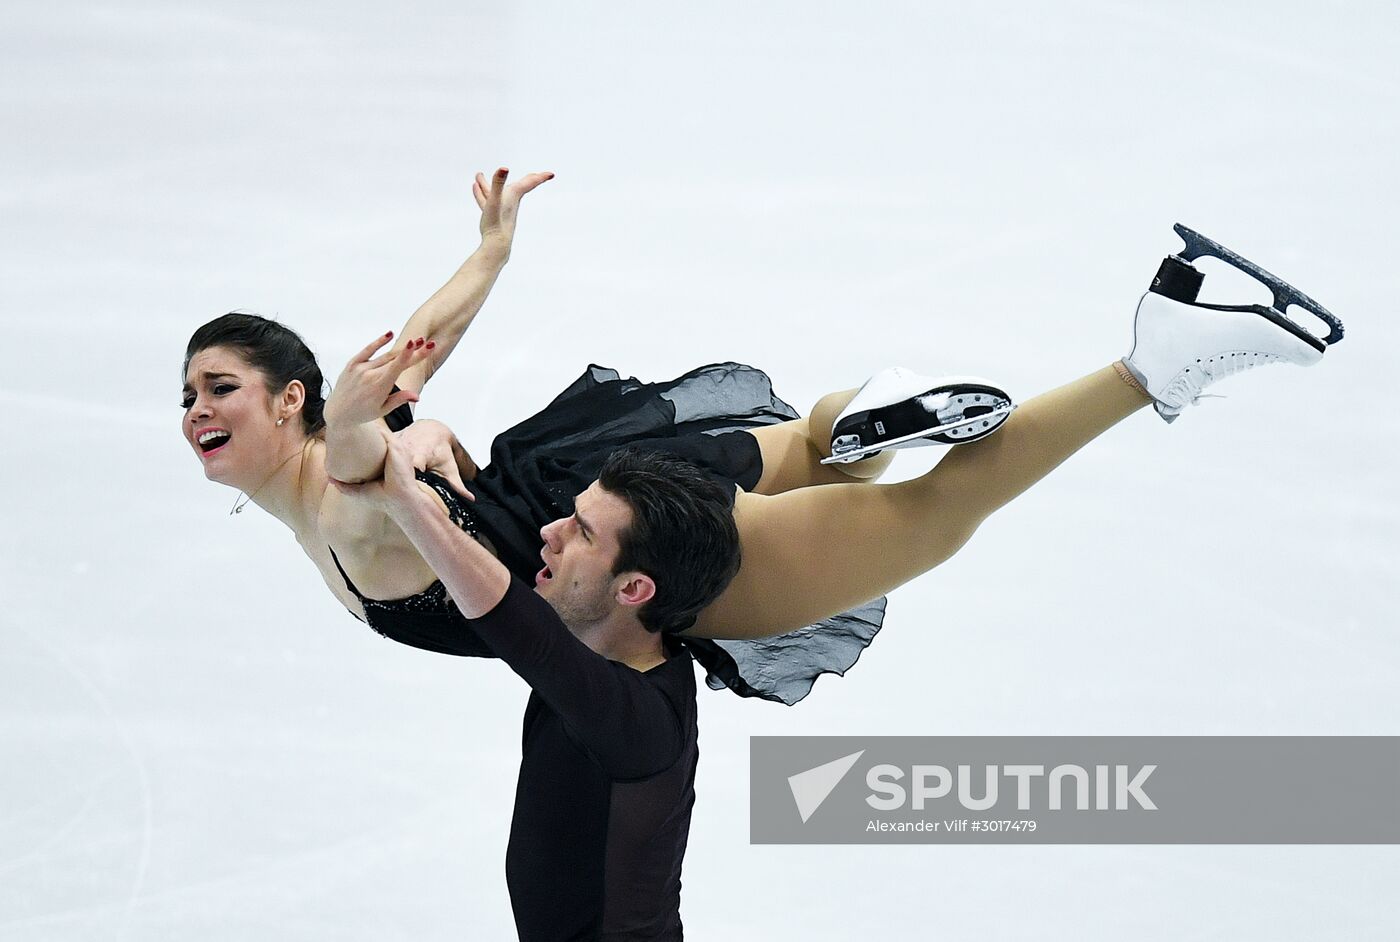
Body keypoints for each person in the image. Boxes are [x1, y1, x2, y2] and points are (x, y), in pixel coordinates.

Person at [182, 182, 1342, 704]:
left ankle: (1161, 355)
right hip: (601, 481)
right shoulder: (362, 445)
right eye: (188, 394)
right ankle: (852, 423)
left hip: (623, 569)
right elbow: (417, 355)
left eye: (220, 387)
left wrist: (353, 423)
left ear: (291, 401)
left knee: (926, 518)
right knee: (797, 451)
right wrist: (488, 254)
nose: (196, 411)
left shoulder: (343, 487)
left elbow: (354, 459)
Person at [341, 443, 737, 939]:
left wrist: (408, 505)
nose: (550, 532)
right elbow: (497, 538)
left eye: (582, 534)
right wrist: (452, 457)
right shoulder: (609, 634)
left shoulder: (639, 723)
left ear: (633, 590)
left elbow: (520, 628)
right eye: (572, 514)